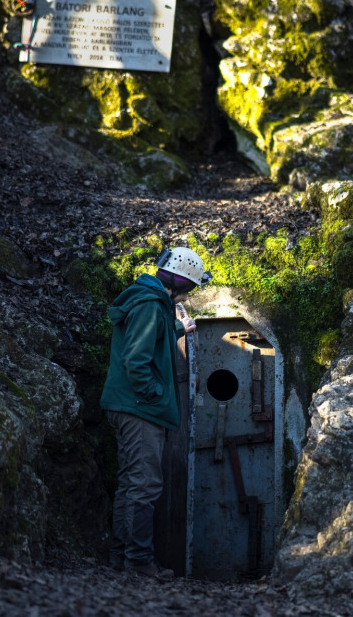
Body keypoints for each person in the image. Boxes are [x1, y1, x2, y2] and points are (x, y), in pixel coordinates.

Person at [100, 247, 212, 579]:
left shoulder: (156, 304)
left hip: (129, 406)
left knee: (131, 484)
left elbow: (155, 339)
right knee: (145, 484)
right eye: (190, 286)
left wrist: (181, 329)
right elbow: (137, 361)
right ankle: (137, 562)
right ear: (181, 283)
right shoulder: (150, 305)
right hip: (138, 408)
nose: (189, 293)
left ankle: (122, 559)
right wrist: (156, 394)